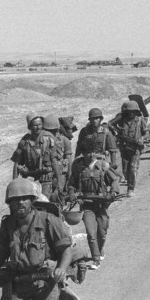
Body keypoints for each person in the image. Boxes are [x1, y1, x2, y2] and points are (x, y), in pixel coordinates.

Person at [68, 139, 121, 269]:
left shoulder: (103, 166)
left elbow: (114, 181)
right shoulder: (78, 167)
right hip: (86, 205)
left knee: (102, 232)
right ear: (83, 153)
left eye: (92, 152)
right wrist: (71, 192)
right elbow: (71, 184)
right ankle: (96, 259)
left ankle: (100, 250)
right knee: (91, 233)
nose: (90, 155)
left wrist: (113, 192)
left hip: (101, 204)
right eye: (87, 152)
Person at [12, 113, 59, 199]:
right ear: (29, 127)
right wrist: (14, 183)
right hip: (30, 179)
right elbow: (17, 163)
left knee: (44, 203)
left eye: (40, 124)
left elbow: (54, 160)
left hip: (46, 179)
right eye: (35, 125)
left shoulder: (48, 138)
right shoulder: (24, 142)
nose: (38, 127)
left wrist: (58, 179)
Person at [111, 101, 148, 197]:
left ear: (136, 111)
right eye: (128, 111)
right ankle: (129, 181)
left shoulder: (140, 121)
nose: (130, 113)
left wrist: (142, 139)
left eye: (132, 111)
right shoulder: (122, 120)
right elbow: (111, 125)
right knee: (125, 170)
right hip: (124, 148)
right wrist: (116, 131)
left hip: (135, 149)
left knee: (133, 168)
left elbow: (146, 133)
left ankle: (130, 189)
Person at [75, 108, 120, 179]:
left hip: (101, 160)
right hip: (87, 160)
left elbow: (112, 149)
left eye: (96, 118)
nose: (94, 121)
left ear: (101, 119)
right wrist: (76, 160)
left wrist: (113, 162)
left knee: (112, 178)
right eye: (92, 119)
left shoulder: (106, 132)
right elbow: (79, 147)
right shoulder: (84, 132)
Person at [41, 115, 66, 203]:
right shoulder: (54, 141)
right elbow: (55, 161)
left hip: (48, 176)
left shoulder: (41, 140)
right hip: (51, 176)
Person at [57, 116, 76, 199]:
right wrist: (70, 176)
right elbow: (69, 160)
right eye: (70, 129)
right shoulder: (65, 140)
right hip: (62, 174)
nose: (72, 131)